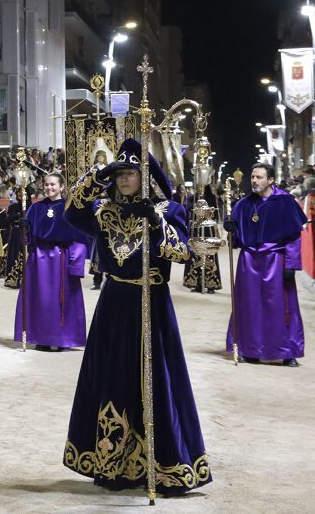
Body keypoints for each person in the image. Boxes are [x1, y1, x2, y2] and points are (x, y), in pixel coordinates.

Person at [62, 139, 210, 495]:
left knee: (155, 378)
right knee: (114, 376)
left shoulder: (168, 210)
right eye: (120, 174)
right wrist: (99, 173)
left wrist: (155, 222)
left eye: (130, 172)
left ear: (144, 176)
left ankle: (163, 464)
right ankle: (114, 463)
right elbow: (71, 210)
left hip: (151, 301)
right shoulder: (102, 210)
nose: (124, 179)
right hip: (114, 303)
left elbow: (181, 253)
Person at [224, 162, 306, 367]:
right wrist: (230, 230)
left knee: (280, 305)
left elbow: (295, 236)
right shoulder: (242, 204)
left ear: (270, 180)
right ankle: (248, 349)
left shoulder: (285, 202)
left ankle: (287, 352)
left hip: (275, 260)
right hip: (249, 260)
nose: (254, 180)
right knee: (248, 305)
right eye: (253, 177)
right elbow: (235, 243)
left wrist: (291, 264)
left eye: (259, 177)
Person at [15, 173, 89, 352]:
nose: (49, 188)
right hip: (38, 260)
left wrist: (76, 265)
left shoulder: (69, 208)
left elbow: (79, 240)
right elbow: (27, 242)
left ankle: (62, 339)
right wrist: (24, 229)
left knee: (61, 300)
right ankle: (41, 338)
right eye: (46, 185)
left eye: (53, 184)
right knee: (40, 300)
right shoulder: (35, 208)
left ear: (62, 186)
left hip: (60, 259)